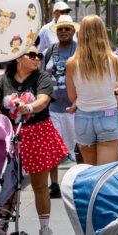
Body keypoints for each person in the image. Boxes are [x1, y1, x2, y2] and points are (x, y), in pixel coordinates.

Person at [0, 43, 68, 235]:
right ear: (18, 58)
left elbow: (43, 100)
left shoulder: (43, 77)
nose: (37, 58)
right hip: (12, 135)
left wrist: (30, 107)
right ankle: (3, 222)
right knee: (10, 180)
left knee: (39, 184)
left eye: (39, 55)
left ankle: (44, 228)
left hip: (38, 133)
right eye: (32, 55)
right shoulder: (4, 80)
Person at [66, 15, 118, 166]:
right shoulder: (114, 59)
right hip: (109, 116)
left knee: (91, 171)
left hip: (83, 118)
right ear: (103, 32)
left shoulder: (72, 63)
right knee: (104, 173)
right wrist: (113, 93)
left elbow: (72, 96)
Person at [42, 14, 78, 199]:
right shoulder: (49, 51)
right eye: (60, 29)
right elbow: (41, 75)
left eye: (67, 28)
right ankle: (54, 184)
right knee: (53, 148)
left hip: (75, 108)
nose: (63, 31)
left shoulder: (79, 50)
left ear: (73, 31)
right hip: (53, 107)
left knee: (78, 147)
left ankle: (79, 181)